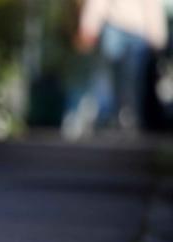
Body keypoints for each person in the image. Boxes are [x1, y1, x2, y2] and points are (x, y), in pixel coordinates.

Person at [65, 0, 168, 138]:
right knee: (110, 78)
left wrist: (158, 36)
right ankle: (109, 116)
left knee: (131, 81)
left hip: (138, 32)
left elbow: (152, 6)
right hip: (115, 27)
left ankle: (126, 117)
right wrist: (89, 25)